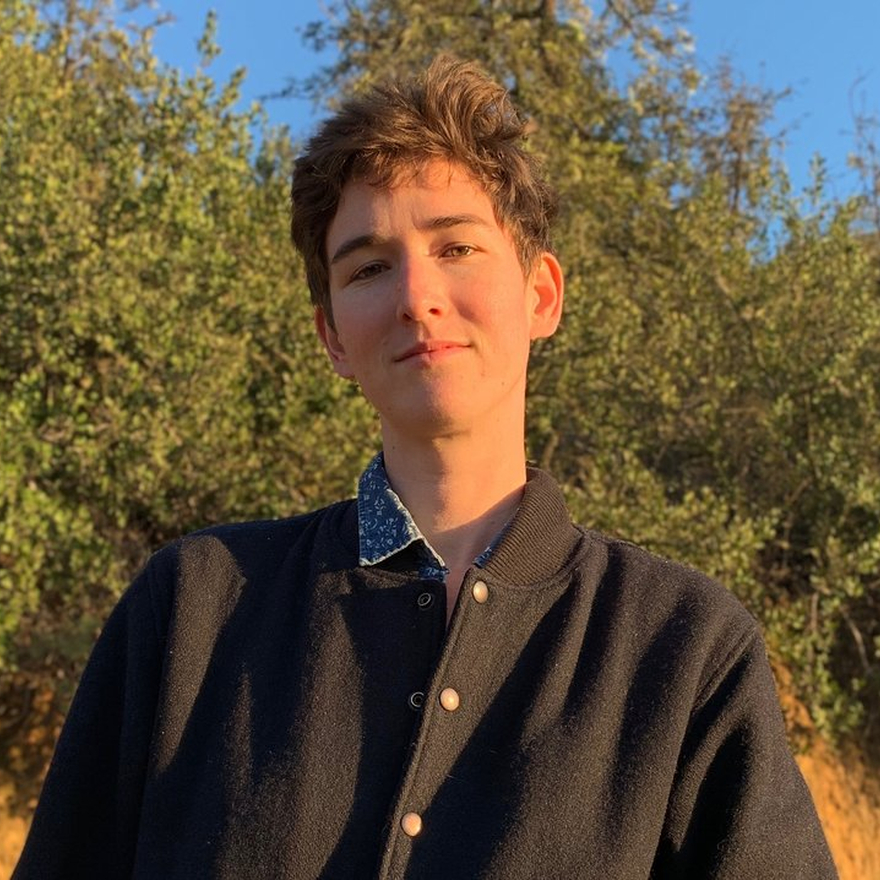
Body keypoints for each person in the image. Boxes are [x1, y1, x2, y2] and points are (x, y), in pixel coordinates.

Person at [14, 57, 836, 879]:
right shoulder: (191, 608)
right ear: (333, 337)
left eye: (457, 246)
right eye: (368, 267)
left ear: (541, 295)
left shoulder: (684, 647)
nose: (416, 295)